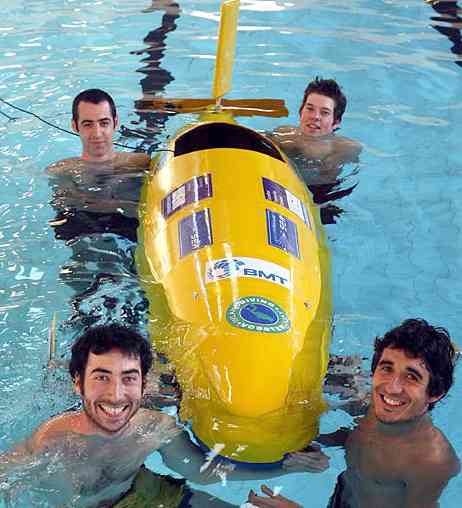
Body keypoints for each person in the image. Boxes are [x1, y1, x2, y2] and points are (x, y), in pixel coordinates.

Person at [0, 324, 327, 507]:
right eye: (101, 377)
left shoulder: (153, 427)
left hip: (147, 496)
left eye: (128, 378)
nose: (116, 395)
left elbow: (202, 471)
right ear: (77, 383)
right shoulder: (52, 442)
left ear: (144, 385)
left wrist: (281, 465)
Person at [248, 318, 460, 508]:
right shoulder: (373, 407)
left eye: (411, 377)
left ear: (435, 394)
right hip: (343, 495)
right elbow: (357, 439)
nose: (391, 387)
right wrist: (313, 446)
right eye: (386, 368)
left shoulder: (432, 462)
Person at [269, 77, 362, 186]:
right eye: (310, 109)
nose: (315, 117)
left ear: (336, 122)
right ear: (301, 111)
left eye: (324, 112)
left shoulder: (344, 149)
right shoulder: (283, 135)